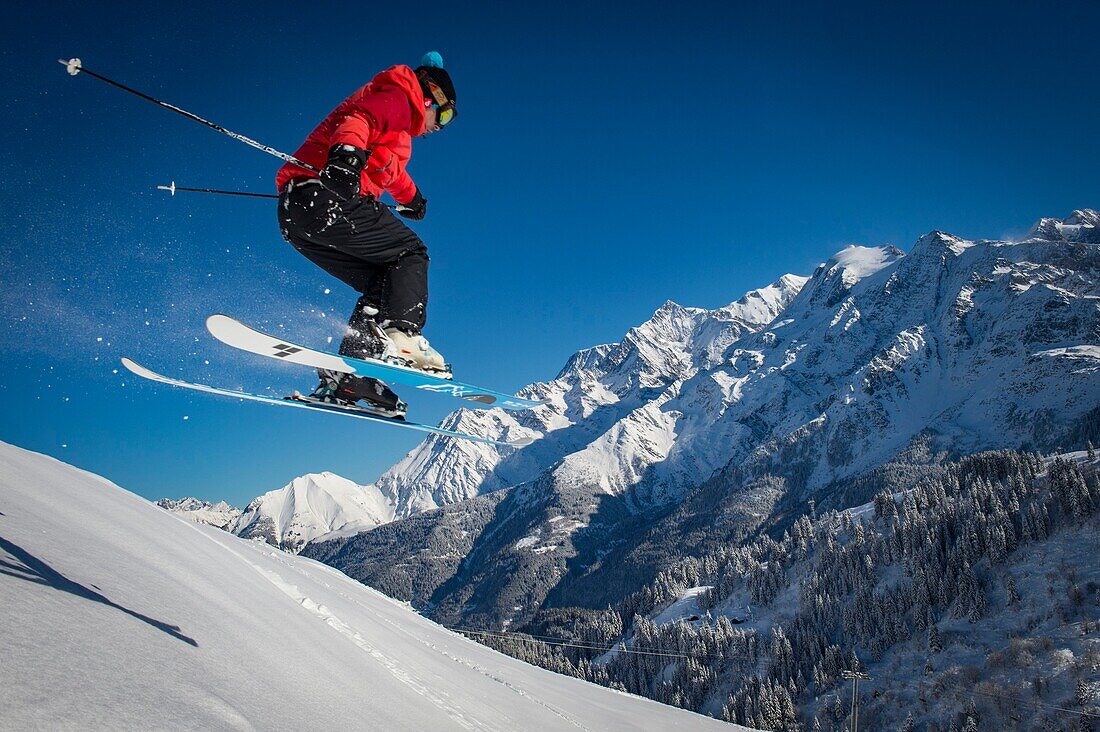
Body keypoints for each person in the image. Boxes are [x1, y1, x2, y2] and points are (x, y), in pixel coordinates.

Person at [275, 52, 457, 418]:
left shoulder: (399, 132)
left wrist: (413, 198)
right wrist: (344, 154)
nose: (443, 126)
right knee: (410, 254)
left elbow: (389, 172)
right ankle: (402, 336)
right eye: (447, 114)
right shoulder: (398, 96)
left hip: (300, 215)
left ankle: (351, 373)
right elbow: (358, 120)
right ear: (431, 96)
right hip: (326, 196)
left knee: (385, 281)